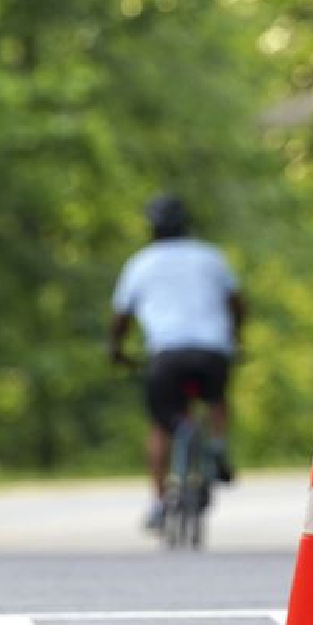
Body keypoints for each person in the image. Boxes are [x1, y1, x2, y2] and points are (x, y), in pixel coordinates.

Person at [108, 193, 244, 530]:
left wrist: (116, 349)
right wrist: (236, 336)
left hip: (166, 355)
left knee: (160, 424)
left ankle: (157, 502)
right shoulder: (210, 257)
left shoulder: (141, 262)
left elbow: (121, 316)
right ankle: (217, 447)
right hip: (212, 351)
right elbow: (237, 302)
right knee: (215, 396)